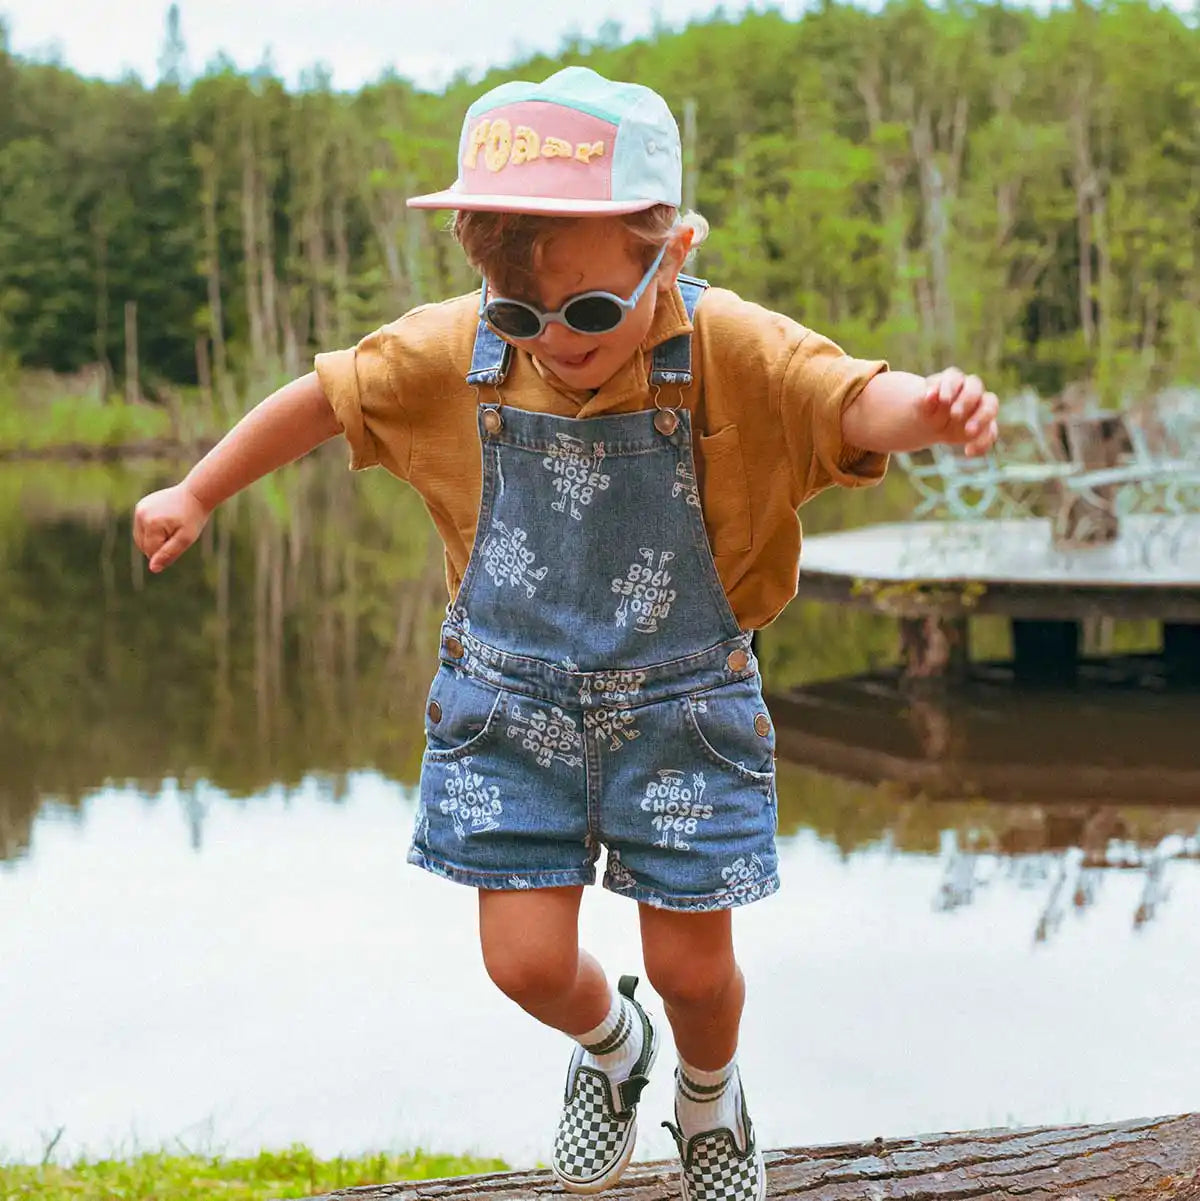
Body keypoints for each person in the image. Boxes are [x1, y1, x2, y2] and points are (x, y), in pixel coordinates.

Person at [133, 66, 998, 1201]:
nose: (555, 339)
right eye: (518, 314)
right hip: (510, 705)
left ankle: (709, 1091)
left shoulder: (726, 345)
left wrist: (927, 411)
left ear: (671, 254)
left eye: (589, 311)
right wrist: (198, 490)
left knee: (694, 972)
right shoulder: (461, 353)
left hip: (684, 707)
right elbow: (325, 397)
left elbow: (839, 398)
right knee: (525, 962)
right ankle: (614, 1045)